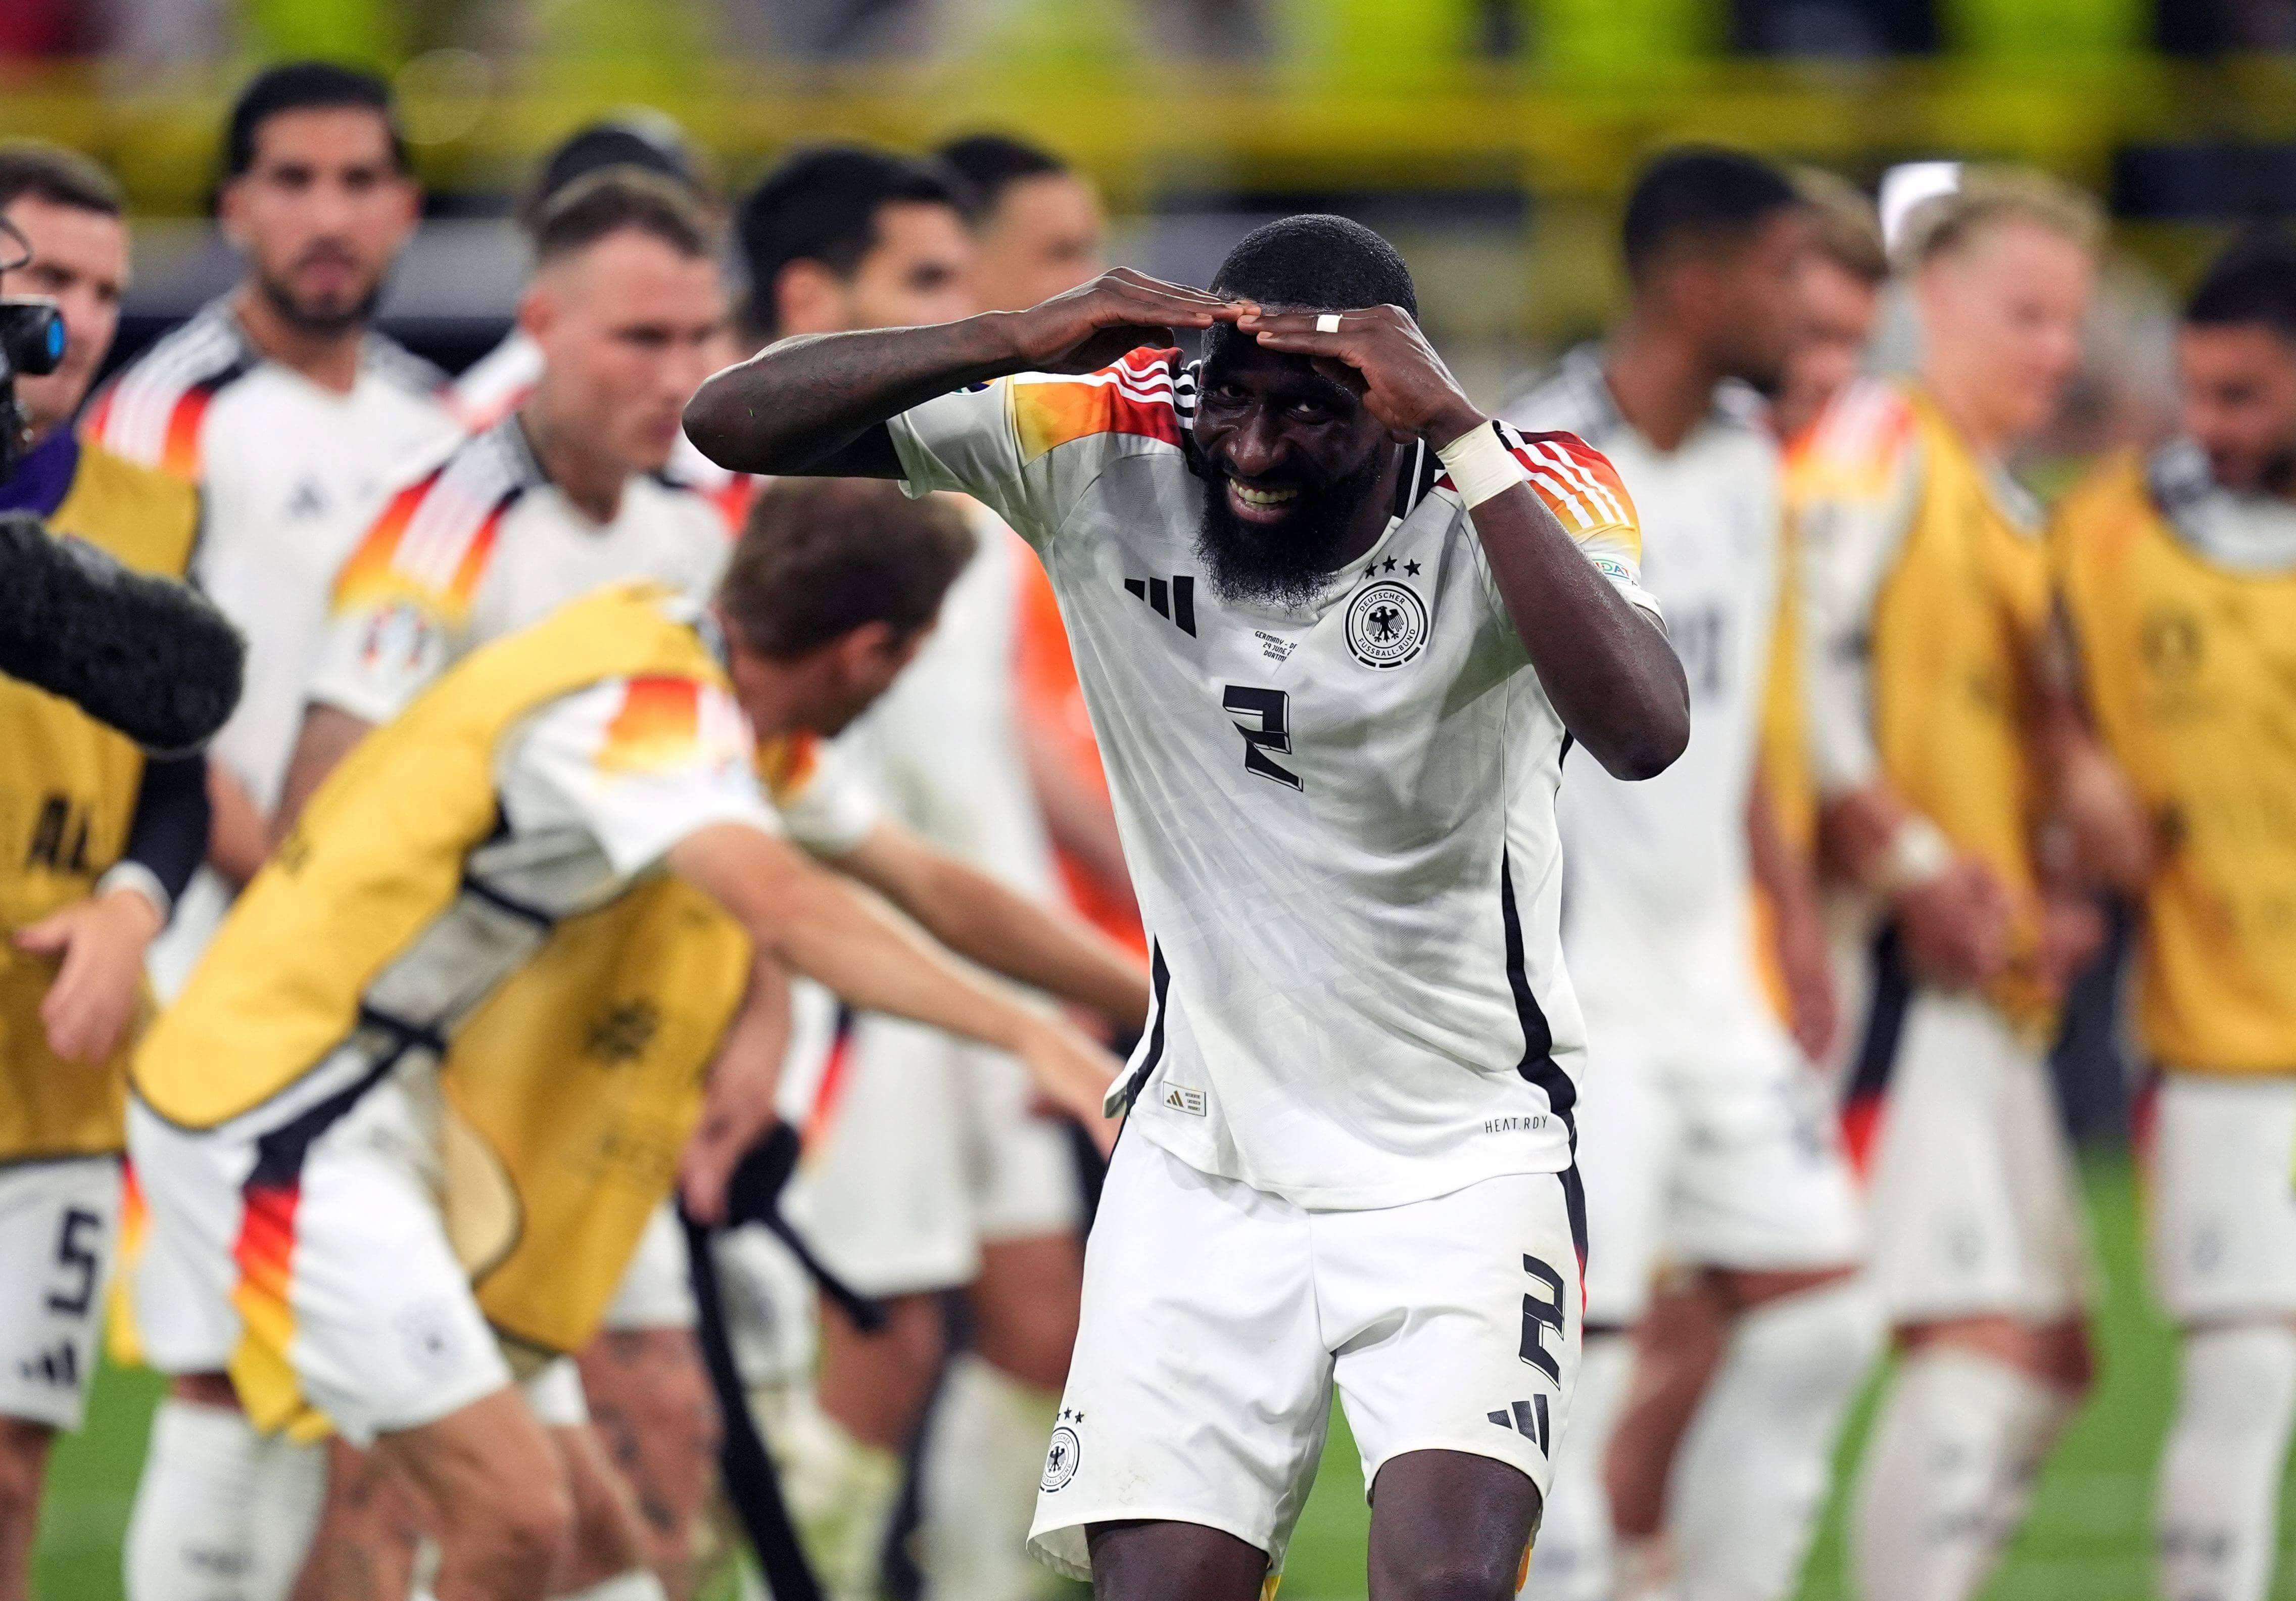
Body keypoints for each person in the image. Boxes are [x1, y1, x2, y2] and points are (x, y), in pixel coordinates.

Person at [687, 213, 1691, 1599]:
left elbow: (1645, 730)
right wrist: (1020, 333)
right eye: (1235, 402)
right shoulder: (1102, 436)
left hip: (1464, 1157)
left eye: (1310, 415)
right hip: (1203, 1159)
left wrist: (1460, 431)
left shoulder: (1524, 485)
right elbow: (730, 422)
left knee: (1449, 1586)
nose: (1260, 451)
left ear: (1395, 409)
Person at [125, 483, 1129, 1601]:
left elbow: (930, 886)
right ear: (872, 651)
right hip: (276, 1116)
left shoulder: (702, 683)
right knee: (509, 1518)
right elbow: (789, 908)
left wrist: (1157, 997)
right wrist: (1027, 1037)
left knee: (594, 1543)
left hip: (396, 1110)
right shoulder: (633, 711)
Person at [266, 167, 739, 1601]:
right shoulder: (444, 532)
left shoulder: (695, 531)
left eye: (697, 338)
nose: (677, 374)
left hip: (597, 1067)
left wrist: (747, 1025)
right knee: (414, 1495)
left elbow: (734, 812)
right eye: (637, 340)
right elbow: (323, 817)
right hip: (424, 1089)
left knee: (655, 1438)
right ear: (541, 325)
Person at [81, 61, 460, 1601]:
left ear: (406, 209)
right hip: (223, 943)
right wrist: (294, 889)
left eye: (358, 180)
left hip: (409, 961)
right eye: (291, 180)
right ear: (233, 206)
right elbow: (134, 691)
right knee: (224, 1362)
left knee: (380, 1378)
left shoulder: (437, 424)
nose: (327, 213)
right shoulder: (168, 416)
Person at [1506, 148, 1878, 1601]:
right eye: (1789, 273)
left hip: (1715, 980)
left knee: (1818, 1322)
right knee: (1574, 1381)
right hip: (1576, 1000)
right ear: (1695, 280)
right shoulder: (1525, 457)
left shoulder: (1741, 461)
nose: (1812, 306)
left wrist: (1785, 917)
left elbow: (1735, 729)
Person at [728, 145, 1094, 1601]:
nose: (998, 296)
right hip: (849, 968)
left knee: (1041, 1327)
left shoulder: (979, 474)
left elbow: (996, 745)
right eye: (932, 281)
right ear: (825, 299)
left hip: (973, 945)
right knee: (873, 1344)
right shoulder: (764, 493)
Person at [1791, 170, 2124, 1601]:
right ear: (1932, 301)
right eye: (2025, 314)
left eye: (2071, 323)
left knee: (2050, 1353)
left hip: (1990, 978)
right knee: (1975, 1347)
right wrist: (1910, 859)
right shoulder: (1878, 441)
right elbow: (1781, 661)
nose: (2055, 350)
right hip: (1891, 965)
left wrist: (2058, 859)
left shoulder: (2008, 506)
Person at [2051, 231, 2296, 1601]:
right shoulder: (2118, 523)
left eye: (2245, 397)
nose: (2207, 426)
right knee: (2248, 1362)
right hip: (2223, 1041)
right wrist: (2076, 770)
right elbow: (2026, 666)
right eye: (2196, 391)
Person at [0, 140, 206, 1601]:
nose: (73, 315)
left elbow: (182, 774)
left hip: (52, 1065)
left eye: (101, 288)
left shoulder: (159, 515)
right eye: (42, 278)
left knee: (11, 1469)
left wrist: (133, 912)